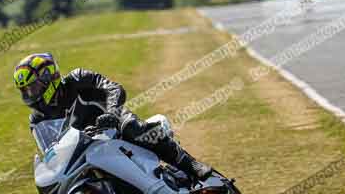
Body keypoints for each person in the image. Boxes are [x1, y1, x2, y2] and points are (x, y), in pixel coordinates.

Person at [13, 52, 213, 181]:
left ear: (49, 78)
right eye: (25, 90)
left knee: (133, 128)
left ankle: (190, 164)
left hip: (113, 121)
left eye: (33, 87)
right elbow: (50, 150)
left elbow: (114, 88)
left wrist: (111, 113)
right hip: (84, 147)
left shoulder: (77, 79)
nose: (30, 94)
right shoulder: (37, 119)